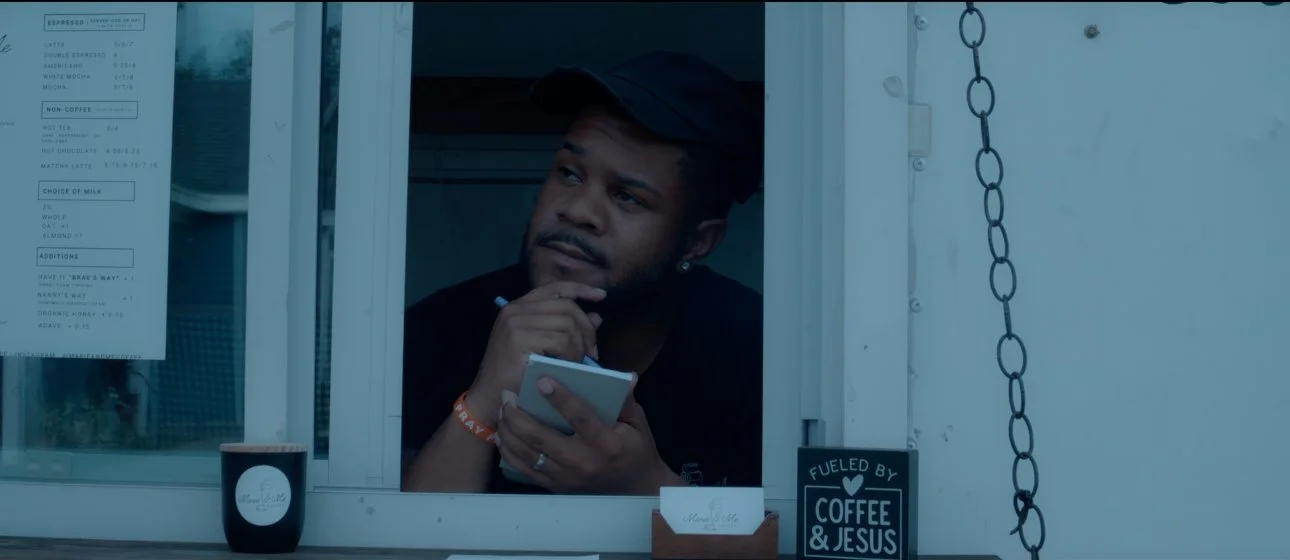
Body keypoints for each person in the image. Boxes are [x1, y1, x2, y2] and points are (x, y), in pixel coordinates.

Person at [401, 51, 763, 496]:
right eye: (570, 174)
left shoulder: (756, 354)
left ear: (697, 242)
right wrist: (481, 402)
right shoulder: (442, 328)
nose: (576, 210)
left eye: (628, 197)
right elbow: (393, 529)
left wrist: (644, 487)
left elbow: (780, 532)